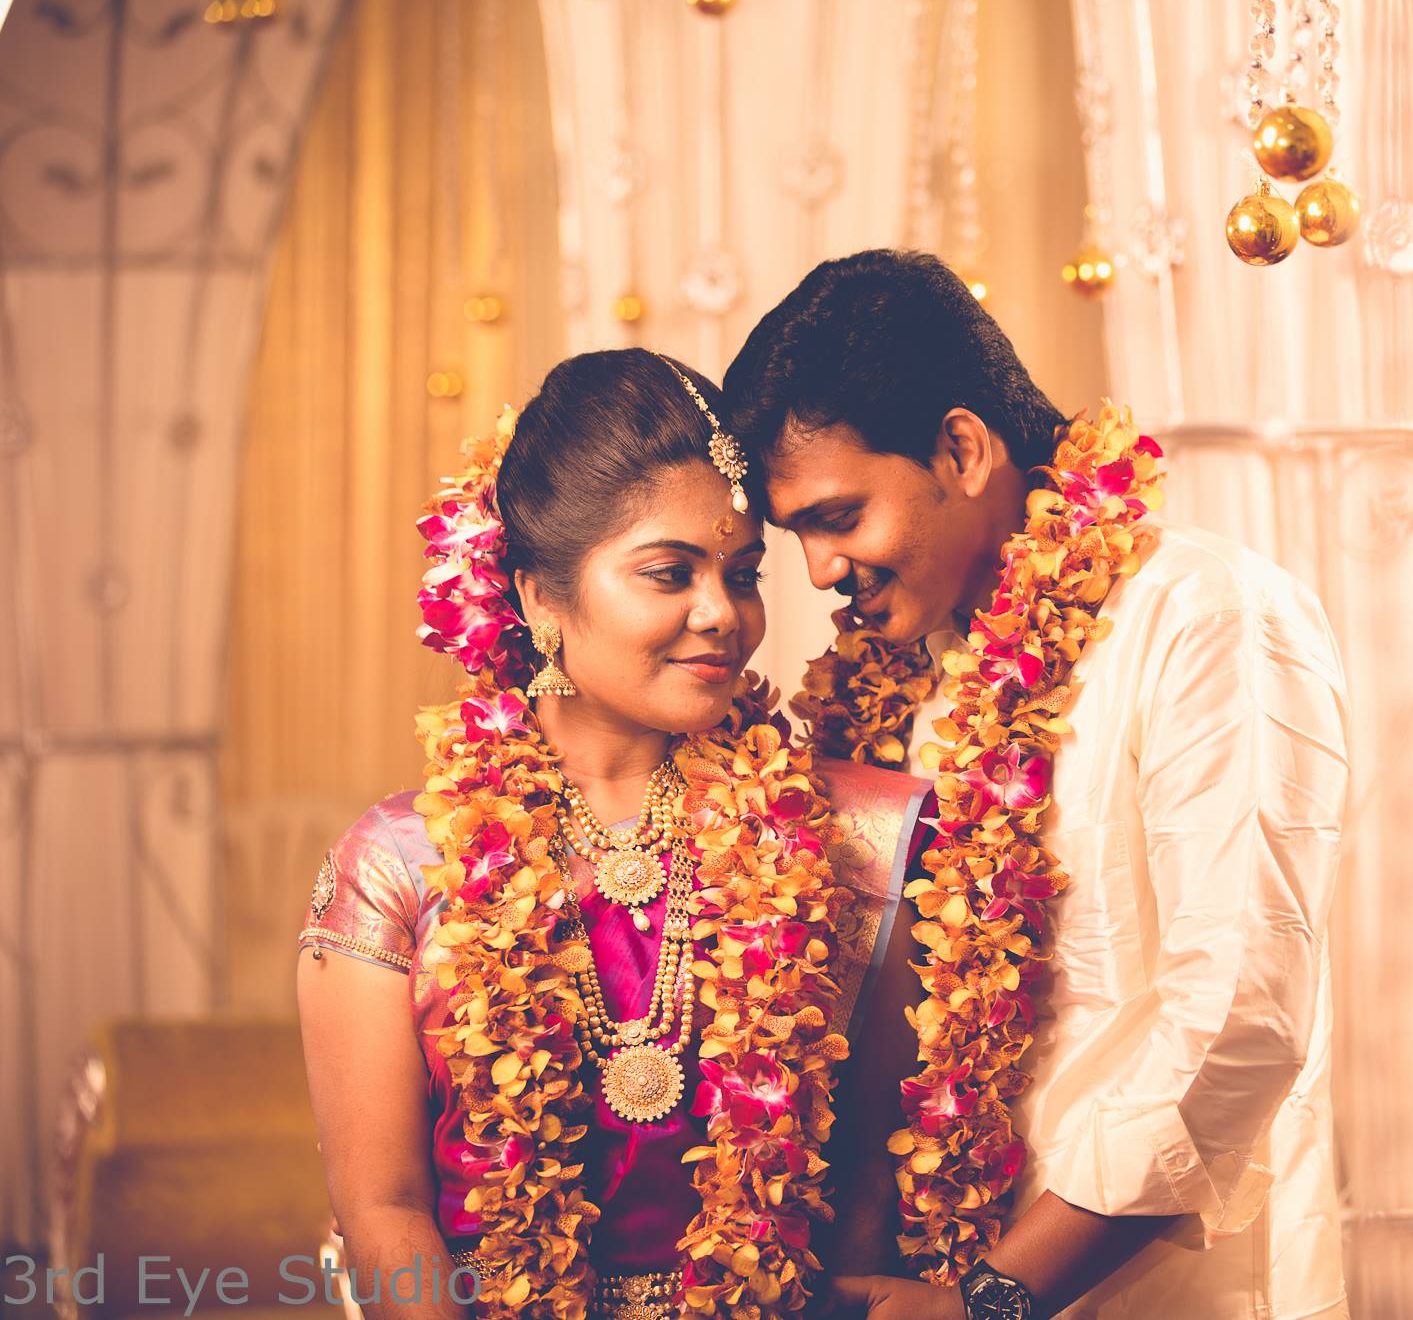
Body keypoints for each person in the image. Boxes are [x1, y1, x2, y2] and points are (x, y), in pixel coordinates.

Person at [723, 249, 1350, 1320]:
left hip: (1142, 1290)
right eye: (796, 537)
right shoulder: (887, 677)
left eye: (837, 516)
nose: (818, 573)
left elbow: (1238, 1016)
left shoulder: (1204, 619)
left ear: (961, 448)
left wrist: (991, 1302)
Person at [295, 349, 934, 1320]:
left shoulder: (843, 836)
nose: (722, 614)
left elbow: (864, 1195)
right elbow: (383, 1211)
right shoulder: (400, 867)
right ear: (538, 599)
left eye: (743, 572)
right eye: (668, 573)